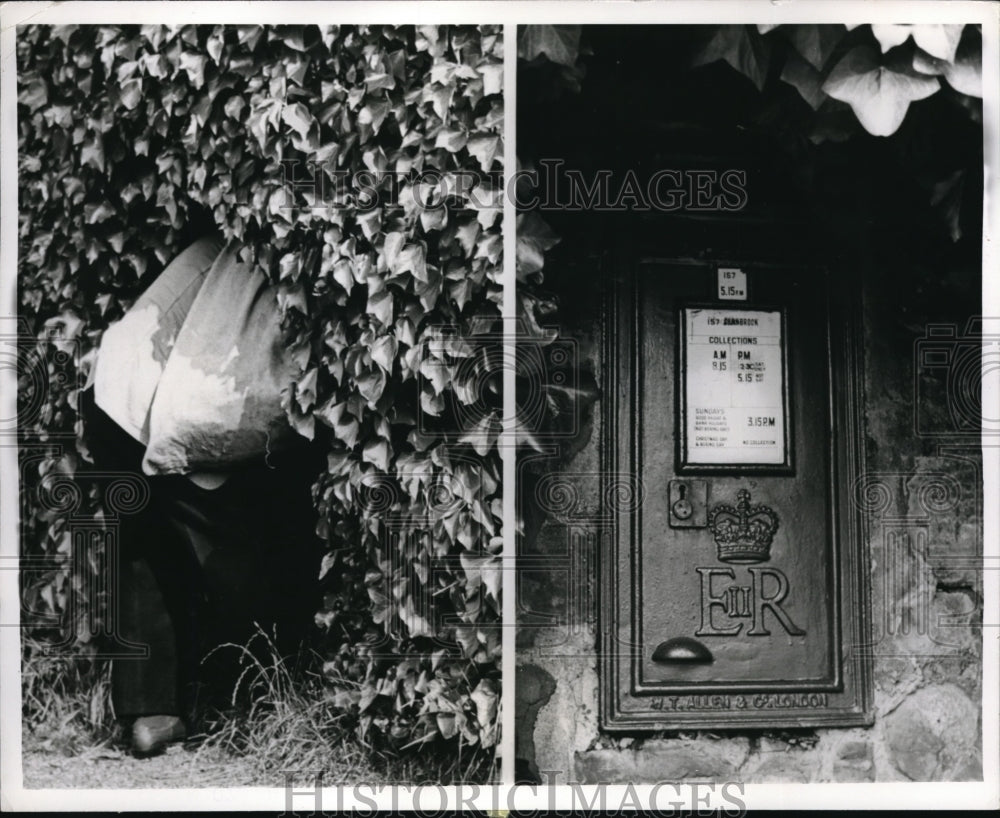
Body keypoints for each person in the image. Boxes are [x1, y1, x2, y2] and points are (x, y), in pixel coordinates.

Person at [82, 236, 322, 756]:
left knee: (143, 551)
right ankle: (254, 700)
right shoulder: (282, 266)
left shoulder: (224, 246)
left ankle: (153, 716)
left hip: (108, 395)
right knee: (230, 550)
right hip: (164, 414)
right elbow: (214, 410)